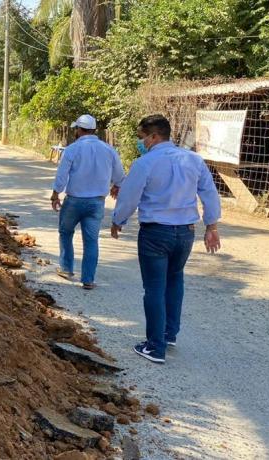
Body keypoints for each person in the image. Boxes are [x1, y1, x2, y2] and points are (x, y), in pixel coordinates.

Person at [111, 114, 221, 364]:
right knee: (175, 281)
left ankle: (155, 347)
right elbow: (209, 193)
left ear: (153, 136)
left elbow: (129, 197)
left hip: (155, 233)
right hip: (185, 233)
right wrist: (211, 226)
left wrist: (119, 220)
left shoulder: (145, 163)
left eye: (141, 137)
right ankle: (169, 334)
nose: (141, 142)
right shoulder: (193, 160)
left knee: (154, 288)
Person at [50, 114, 125, 290]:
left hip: (74, 201)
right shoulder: (108, 149)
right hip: (97, 202)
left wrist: (55, 194)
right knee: (91, 240)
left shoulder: (72, 149)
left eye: (76, 128)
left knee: (66, 232)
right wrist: (117, 186)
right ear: (93, 130)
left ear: (79, 130)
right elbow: (119, 175)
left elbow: (62, 175)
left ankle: (66, 268)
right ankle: (88, 279)